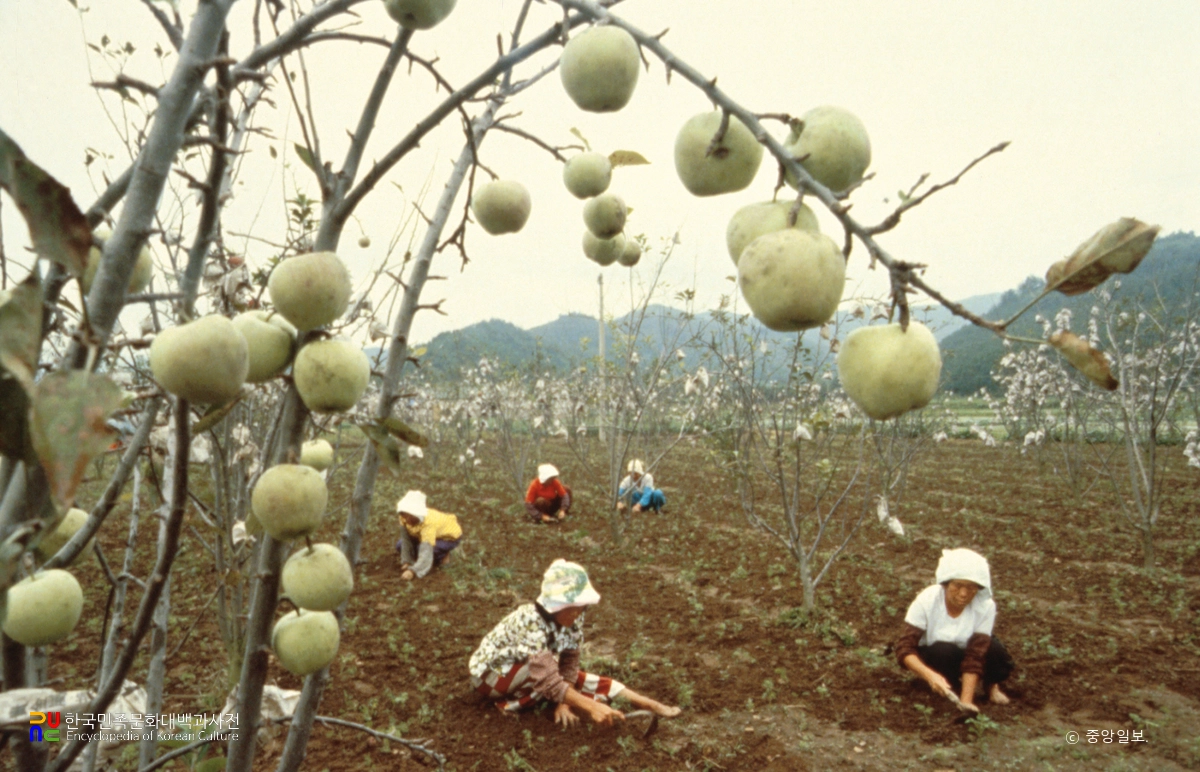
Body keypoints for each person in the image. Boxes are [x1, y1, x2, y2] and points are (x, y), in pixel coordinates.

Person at [468, 559, 682, 727]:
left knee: (571, 678)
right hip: (492, 675)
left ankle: (645, 702)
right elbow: (548, 680)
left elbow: (570, 661)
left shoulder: (574, 616)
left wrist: (564, 704)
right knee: (545, 679)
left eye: (582, 607)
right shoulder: (531, 621)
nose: (579, 612)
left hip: (527, 670)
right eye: (574, 607)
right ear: (557, 605)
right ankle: (507, 704)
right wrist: (592, 707)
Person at [895, 548, 1014, 712]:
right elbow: (905, 648)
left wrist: (966, 702)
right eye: (957, 586)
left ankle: (990, 686)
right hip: (939, 654)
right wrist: (930, 675)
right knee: (943, 651)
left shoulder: (985, 606)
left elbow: (976, 653)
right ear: (946, 583)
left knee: (995, 652)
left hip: (967, 651)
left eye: (972, 588)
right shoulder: (927, 600)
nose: (964, 594)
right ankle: (945, 683)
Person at [394, 490, 462, 581]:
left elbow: (426, 549)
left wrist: (413, 571)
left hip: (447, 538)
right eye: (405, 516)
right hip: (422, 535)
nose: (407, 520)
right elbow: (406, 540)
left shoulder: (429, 523)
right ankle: (421, 562)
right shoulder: (403, 517)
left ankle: (444, 555)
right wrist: (407, 561)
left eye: (410, 516)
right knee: (400, 545)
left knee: (423, 550)